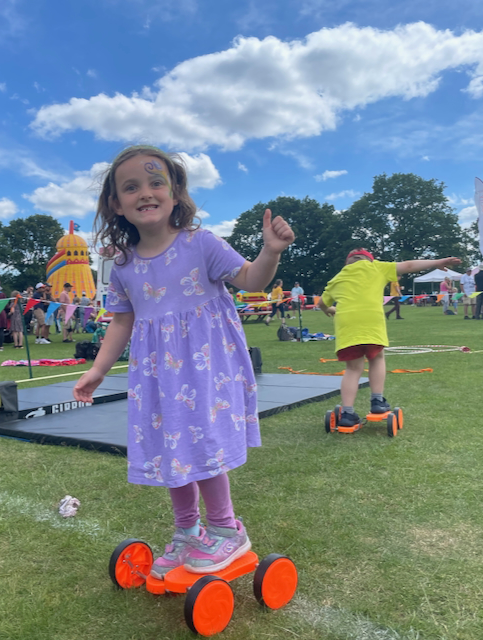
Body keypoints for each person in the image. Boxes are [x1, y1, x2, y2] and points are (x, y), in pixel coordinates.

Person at [72, 145, 295, 578]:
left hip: (207, 369)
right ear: (116, 204)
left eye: (156, 182)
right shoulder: (123, 266)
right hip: (157, 377)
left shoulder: (201, 244)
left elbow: (250, 280)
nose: (146, 192)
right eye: (131, 187)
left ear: (175, 193)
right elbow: (121, 322)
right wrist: (97, 369)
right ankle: (187, 532)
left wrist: (271, 252)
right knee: (170, 448)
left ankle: (227, 530)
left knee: (200, 444)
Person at [318, 248, 461, 427]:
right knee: (377, 358)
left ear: (347, 262)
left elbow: (322, 303)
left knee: (353, 369)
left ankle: (347, 414)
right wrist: (437, 262)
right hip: (371, 322)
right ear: (369, 260)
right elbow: (409, 265)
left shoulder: (337, 279)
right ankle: (377, 402)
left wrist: (329, 310)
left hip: (347, 325)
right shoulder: (377, 267)